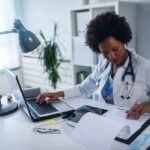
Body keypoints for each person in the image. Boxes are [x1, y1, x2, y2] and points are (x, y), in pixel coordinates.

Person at [36, 11, 150, 119]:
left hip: (134, 126)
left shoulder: (144, 67)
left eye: (115, 49)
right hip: (107, 121)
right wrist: (59, 93)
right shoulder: (104, 65)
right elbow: (84, 89)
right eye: (105, 53)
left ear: (123, 41)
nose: (111, 57)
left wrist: (146, 106)